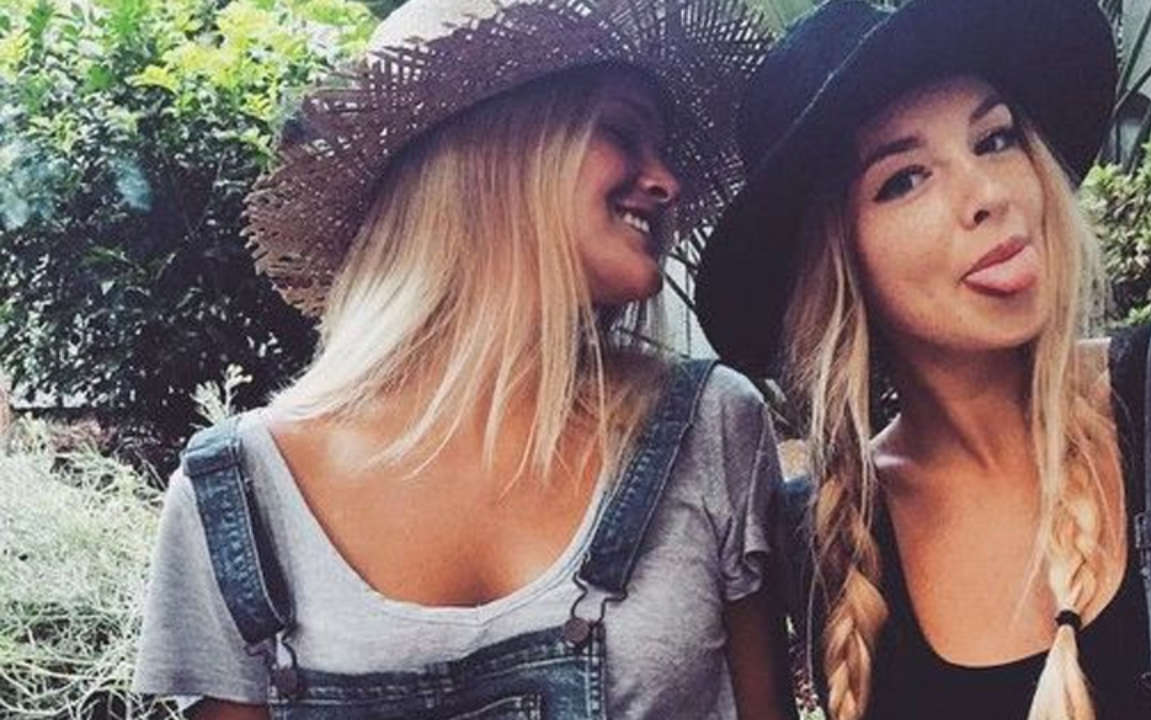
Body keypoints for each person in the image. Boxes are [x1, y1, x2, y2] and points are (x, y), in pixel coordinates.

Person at [131, 0, 799, 718]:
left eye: (661, 146)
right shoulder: (241, 496)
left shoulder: (709, 428)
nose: (666, 181)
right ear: (487, 154)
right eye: (620, 130)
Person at [695, 0, 1151, 718]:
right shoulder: (828, 539)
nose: (988, 194)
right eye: (905, 179)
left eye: (995, 139)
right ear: (836, 265)